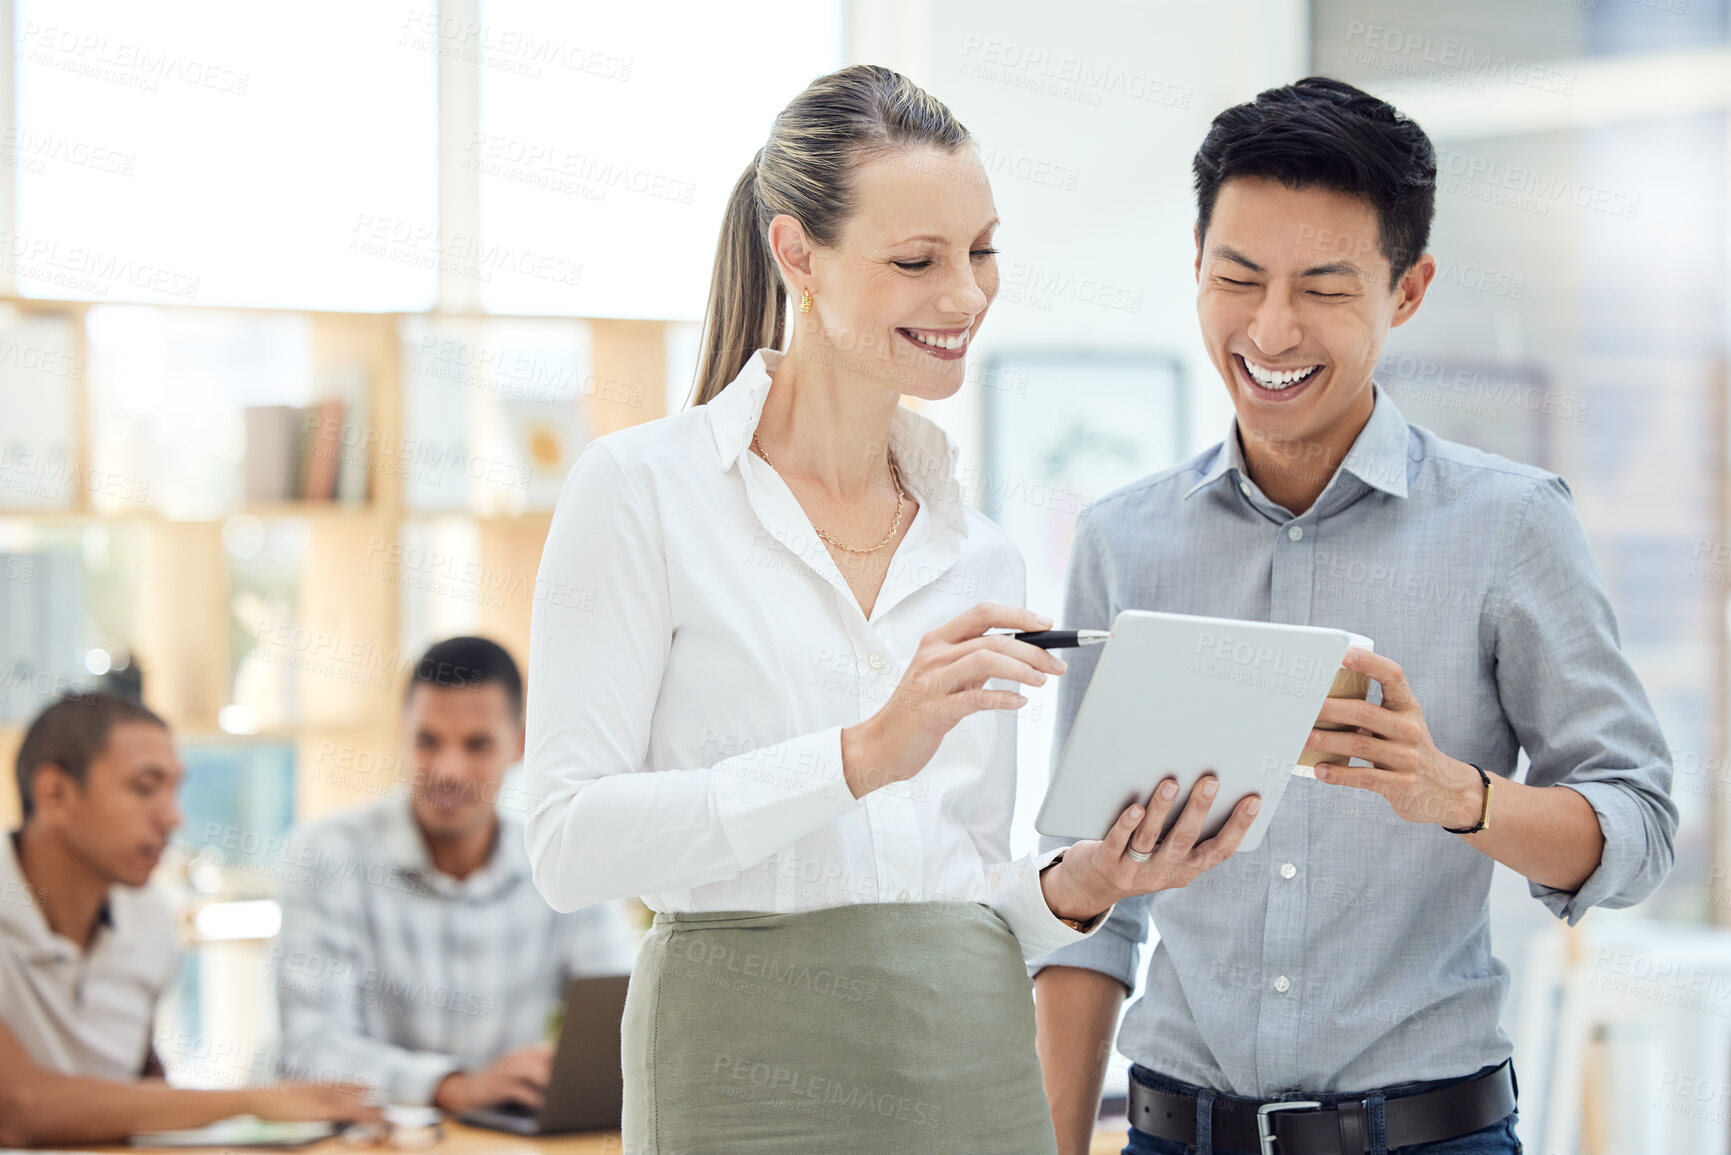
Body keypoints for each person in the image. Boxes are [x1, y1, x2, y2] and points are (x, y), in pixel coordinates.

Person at [521, 64, 1259, 1155]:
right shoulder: (641, 493)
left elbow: (966, 901)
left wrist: (1087, 882)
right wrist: (861, 752)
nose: (964, 295)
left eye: (982, 251)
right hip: (739, 1074)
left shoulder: (979, 550)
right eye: (917, 260)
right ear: (796, 255)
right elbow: (569, 844)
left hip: (971, 1070)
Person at [1031, 77, 1677, 1155]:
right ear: (1196, 265)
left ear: (1408, 289)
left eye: (1324, 287)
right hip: (1172, 1132)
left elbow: (1641, 827)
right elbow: (1091, 900)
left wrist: (1458, 796)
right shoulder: (1122, 542)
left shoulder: (1511, 524)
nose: (1271, 328)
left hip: (1430, 1135)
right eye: (1238, 277)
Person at [274, 636, 639, 1112]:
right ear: (401, 734)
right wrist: (453, 1086)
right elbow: (310, 1048)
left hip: (498, 1140)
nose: (448, 769)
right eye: (427, 741)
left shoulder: (564, 861)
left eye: (477, 744)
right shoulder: (326, 856)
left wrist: (556, 1070)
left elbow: (621, 1022)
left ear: (520, 745)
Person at [0, 692, 380, 1146]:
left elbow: (139, 1094)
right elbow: (18, 1106)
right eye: (144, 788)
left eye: (174, 790)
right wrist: (251, 1100)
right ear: (55, 795)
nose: (173, 817)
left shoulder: (150, 919)